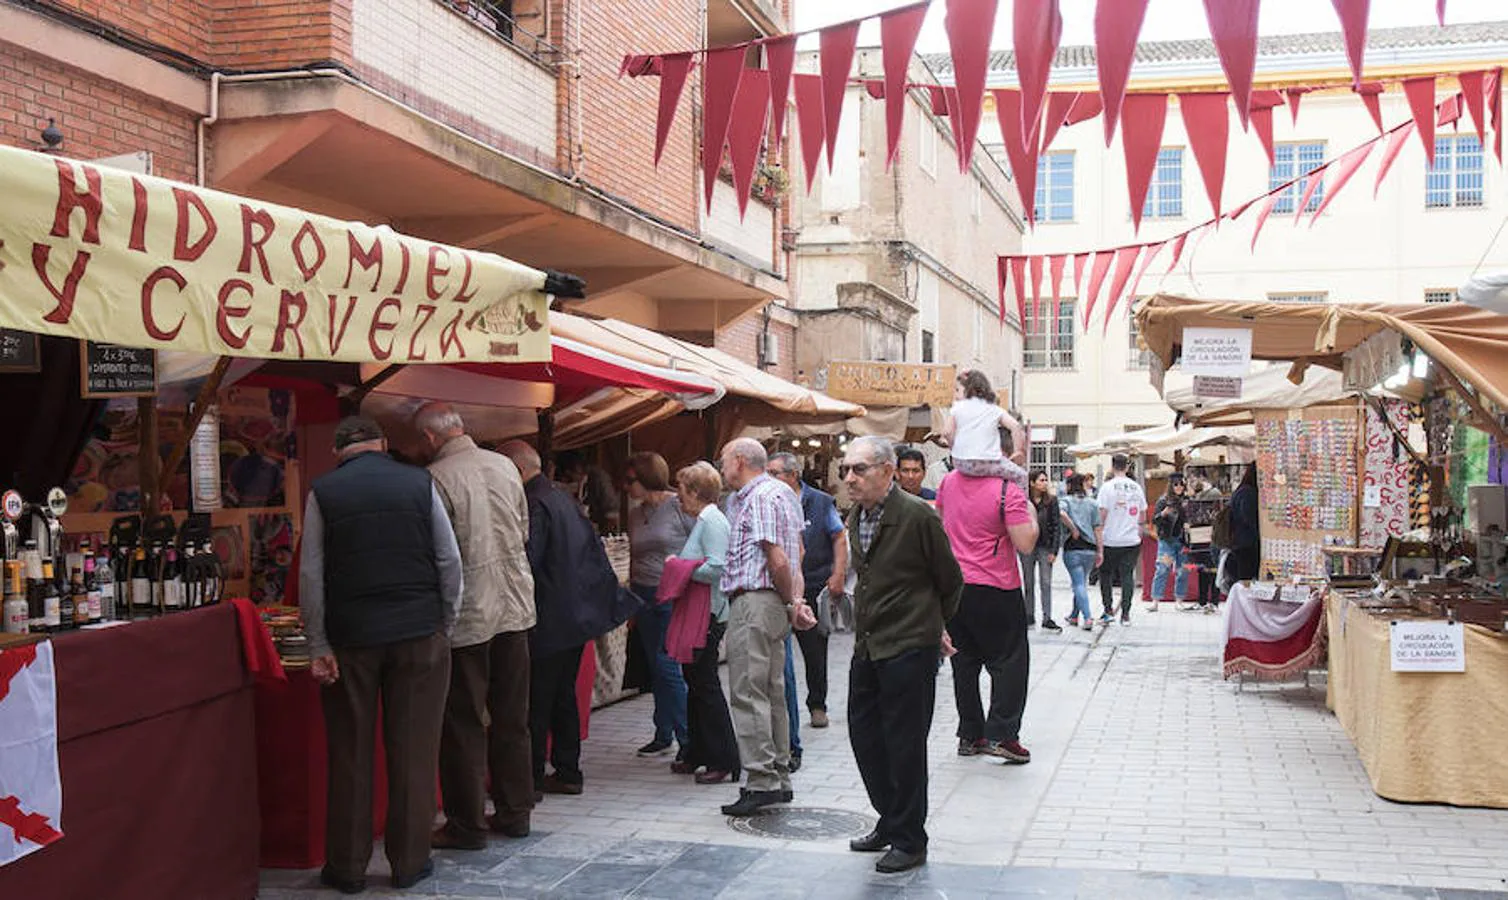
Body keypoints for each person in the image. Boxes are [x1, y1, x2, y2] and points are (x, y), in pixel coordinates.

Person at [301, 416, 463, 894]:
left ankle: (347, 867)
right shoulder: (419, 483)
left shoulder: (324, 492)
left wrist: (317, 644)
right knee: (414, 751)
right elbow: (448, 560)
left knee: (350, 753)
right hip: (419, 633)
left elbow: (312, 576)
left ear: (338, 450)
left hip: (351, 638)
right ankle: (410, 862)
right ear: (384, 444)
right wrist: (445, 623)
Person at [414, 403, 537, 847]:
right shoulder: (505, 466)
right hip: (516, 607)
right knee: (512, 717)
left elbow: (440, 554)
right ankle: (516, 811)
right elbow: (522, 530)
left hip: (468, 613)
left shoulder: (436, 479)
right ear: (460, 428)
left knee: (463, 720)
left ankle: (467, 823)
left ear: (430, 438)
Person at [843, 437, 964, 875]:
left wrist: (931, 627)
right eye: (846, 470)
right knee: (865, 736)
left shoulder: (916, 516)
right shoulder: (857, 516)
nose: (850, 478)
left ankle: (910, 839)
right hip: (869, 645)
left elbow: (950, 580)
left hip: (909, 647)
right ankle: (891, 819)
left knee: (904, 745)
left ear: (888, 471)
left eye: (859, 469)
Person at [499, 441, 624, 805]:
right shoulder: (561, 499)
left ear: (516, 469)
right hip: (573, 614)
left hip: (548, 615)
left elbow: (529, 561)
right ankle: (568, 771)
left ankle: (533, 778)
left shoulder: (534, 503)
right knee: (562, 696)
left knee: (538, 700)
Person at [716, 438, 811, 817]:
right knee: (771, 691)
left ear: (739, 461)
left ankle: (761, 781)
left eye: (724, 461)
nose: (722, 469)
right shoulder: (780, 493)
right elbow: (796, 553)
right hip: (770, 601)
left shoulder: (758, 497)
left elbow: (779, 556)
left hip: (756, 599)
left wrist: (791, 601)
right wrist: (793, 601)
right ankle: (778, 776)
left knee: (748, 691)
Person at [936, 449, 1038, 765]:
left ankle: (970, 734)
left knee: (963, 662)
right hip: (997, 586)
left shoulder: (949, 482)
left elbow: (941, 525)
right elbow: (1025, 542)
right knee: (1009, 662)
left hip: (956, 586)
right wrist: (1030, 510)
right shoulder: (1008, 489)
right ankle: (1003, 735)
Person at [666, 461, 741, 785]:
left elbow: (717, 567)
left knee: (705, 686)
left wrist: (680, 567)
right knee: (696, 685)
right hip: (703, 613)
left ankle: (724, 758)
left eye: (681, 490)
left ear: (695, 492)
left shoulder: (711, 521)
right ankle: (698, 751)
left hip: (708, 615)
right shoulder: (706, 519)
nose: (678, 497)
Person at [769, 453, 848, 732]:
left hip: (813, 583)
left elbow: (838, 536)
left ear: (793, 475)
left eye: (775, 473)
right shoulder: (769, 501)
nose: (770, 479)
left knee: (815, 649)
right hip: (776, 587)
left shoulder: (819, 501)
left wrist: (838, 573)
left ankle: (817, 705)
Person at [625, 452, 694, 760]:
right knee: (655, 666)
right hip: (642, 593)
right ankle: (662, 732)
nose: (626, 487)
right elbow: (633, 555)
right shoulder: (636, 513)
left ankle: (687, 737)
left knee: (667, 666)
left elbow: (698, 544)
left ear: (648, 478)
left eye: (631, 480)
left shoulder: (678, 506)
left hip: (670, 593)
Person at [939, 369, 1029, 490]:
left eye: (957, 390)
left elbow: (947, 432)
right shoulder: (993, 409)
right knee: (1021, 476)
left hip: (961, 463)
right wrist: (1018, 451)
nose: (955, 395)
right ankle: (1018, 504)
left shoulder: (957, 409)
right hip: (987, 462)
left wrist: (953, 447)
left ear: (969, 390)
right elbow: (1016, 427)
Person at [1097, 454, 1147, 626]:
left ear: (1112, 466)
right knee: (1127, 575)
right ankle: (1125, 614)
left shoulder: (1107, 487)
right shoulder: (1136, 487)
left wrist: (1098, 532)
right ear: (1126, 467)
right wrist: (1139, 530)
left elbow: (1102, 513)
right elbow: (1142, 512)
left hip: (1110, 538)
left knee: (1105, 574)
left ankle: (1108, 610)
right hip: (1131, 539)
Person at [1019, 470, 1061, 631]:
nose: (1044, 483)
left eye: (1045, 480)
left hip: (1045, 545)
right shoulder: (1024, 501)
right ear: (1032, 483)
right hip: (1027, 545)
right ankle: (1029, 615)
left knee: (1046, 582)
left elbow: (1056, 526)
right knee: (1028, 581)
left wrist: (1054, 550)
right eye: (1041, 480)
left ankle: (1047, 616)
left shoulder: (1051, 501)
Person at [1059, 474, 1101, 631]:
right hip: (1090, 548)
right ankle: (1074, 615)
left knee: (1078, 584)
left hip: (1073, 547)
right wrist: (1100, 550)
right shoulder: (1092, 503)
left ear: (1069, 485)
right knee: (1081, 582)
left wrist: (1073, 528)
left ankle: (1088, 617)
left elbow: (1061, 513)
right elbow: (1098, 528)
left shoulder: (1066, 501)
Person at [1149, 475, 1190, 611]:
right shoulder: (1163, 500)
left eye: (1181, 484)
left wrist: (1188, 524)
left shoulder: (1187, 500)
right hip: (1167, 539)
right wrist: (1163, 514)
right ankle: (1155, 600)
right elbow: (1155, 520)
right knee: (1162, 569)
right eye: (1176, 484)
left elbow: (1194, 517)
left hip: (1183, 540)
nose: (1179, 487)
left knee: (1183, 570)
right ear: (1171, 486)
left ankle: (1179, 599)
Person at [1230, 465, 1261, 581]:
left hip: (1241, 542)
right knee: (1247, 580)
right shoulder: (1248, 493)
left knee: (1245, 579)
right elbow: (1250, 517)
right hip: (1248, 543)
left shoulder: (1241, 491)